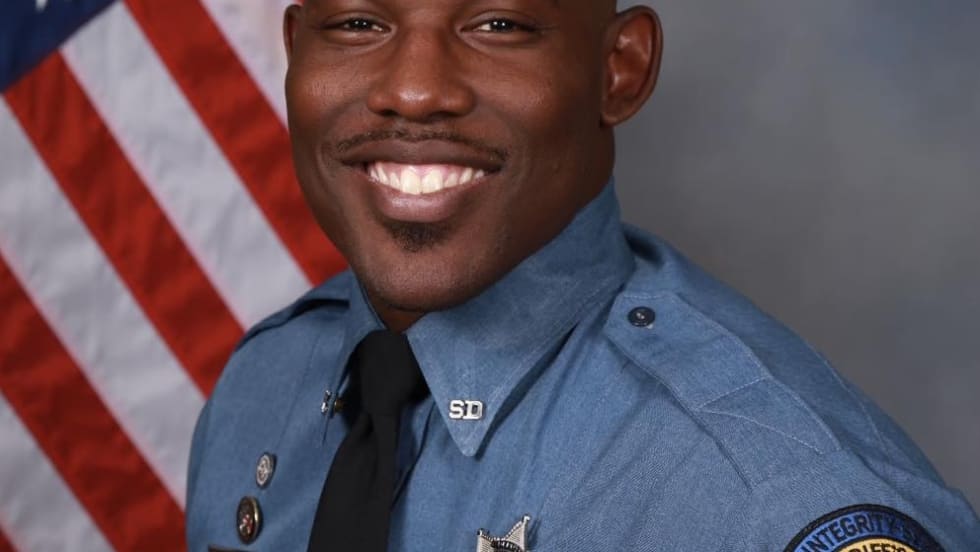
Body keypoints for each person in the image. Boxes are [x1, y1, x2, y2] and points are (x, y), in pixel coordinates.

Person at [185, 0, 980, 550]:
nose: (413, 88)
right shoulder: (266, 384)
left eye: (498, 24)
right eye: (358, 22)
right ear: (294, 51)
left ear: (618, 70)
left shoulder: (769, 502)